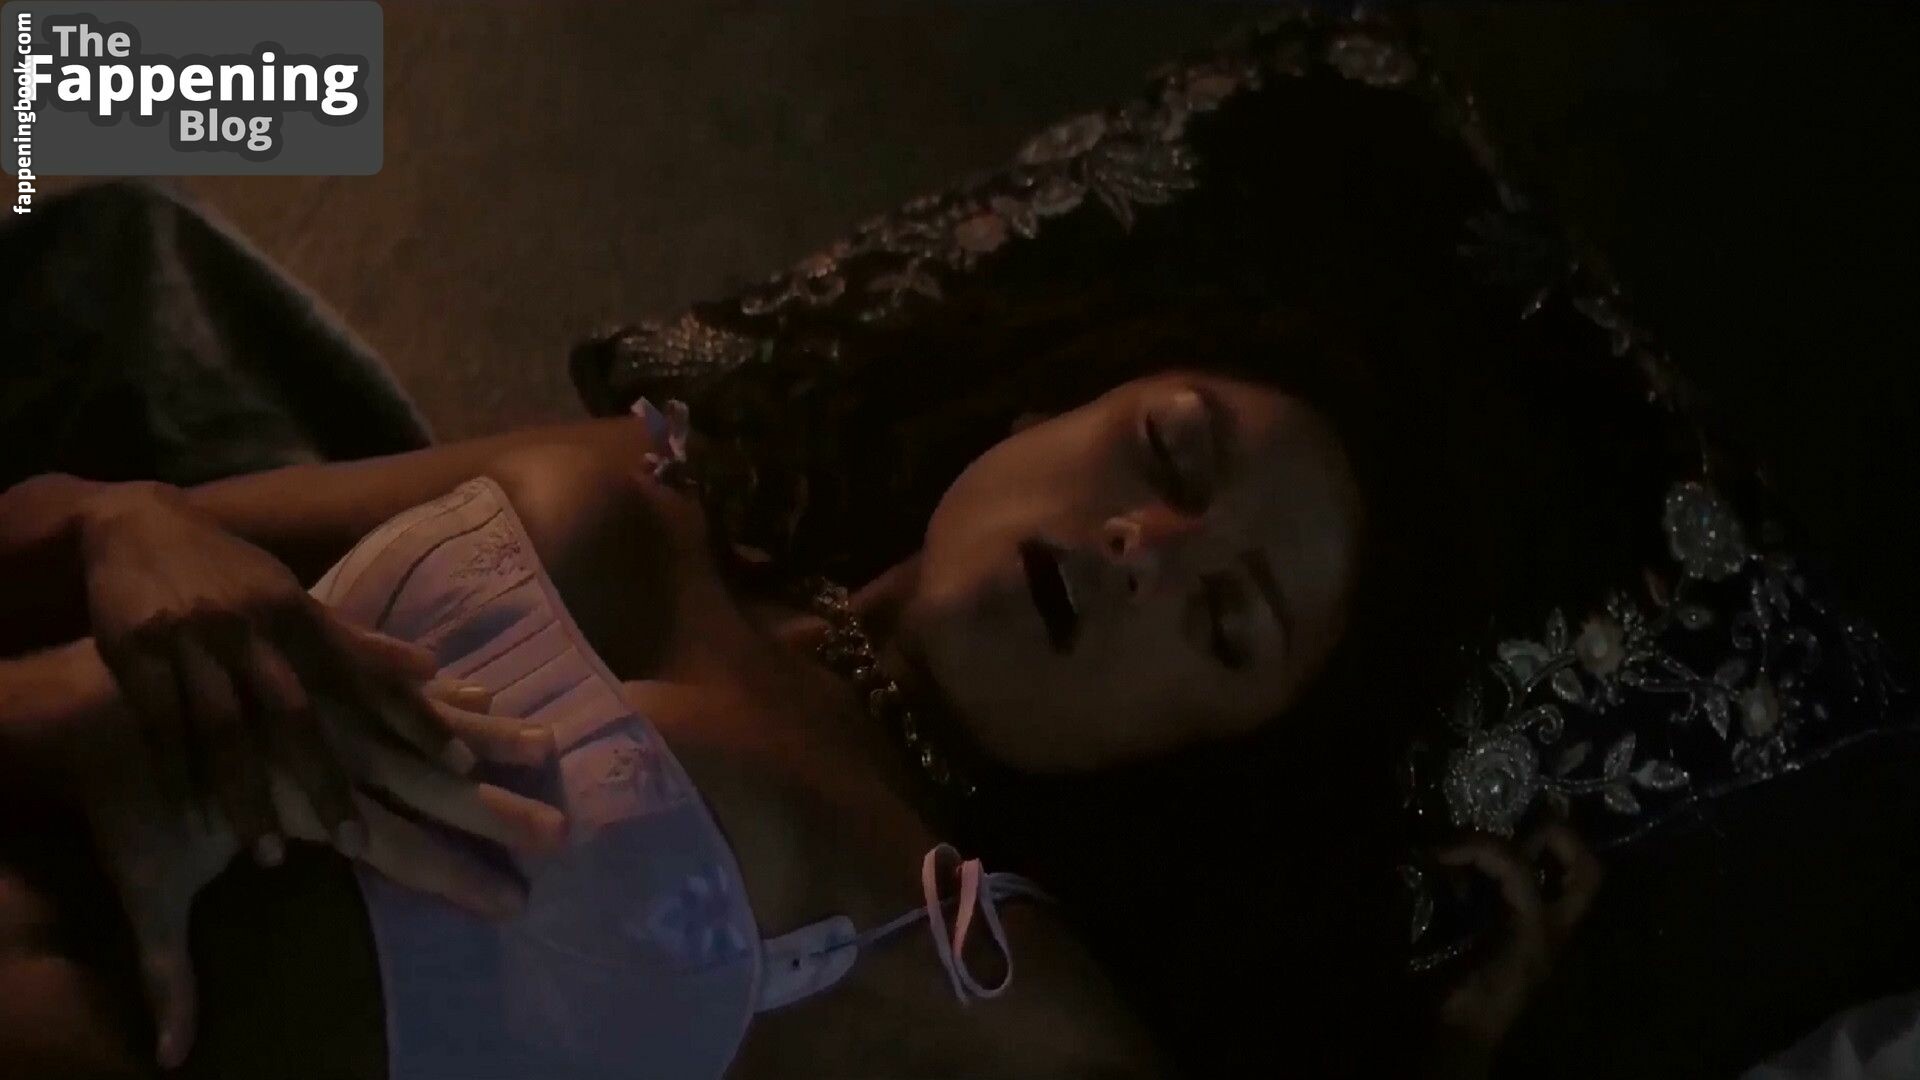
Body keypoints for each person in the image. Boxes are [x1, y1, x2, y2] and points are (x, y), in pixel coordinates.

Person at [0, 302, 1586, 1079]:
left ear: (1206, 750)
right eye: (1166, 454)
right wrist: (133, 530)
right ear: (1051, 405)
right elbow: (41, 537)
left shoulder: (993, 980)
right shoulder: (655, 482)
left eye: (1226, 621)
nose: (1143, 549)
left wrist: (1448, 1048)